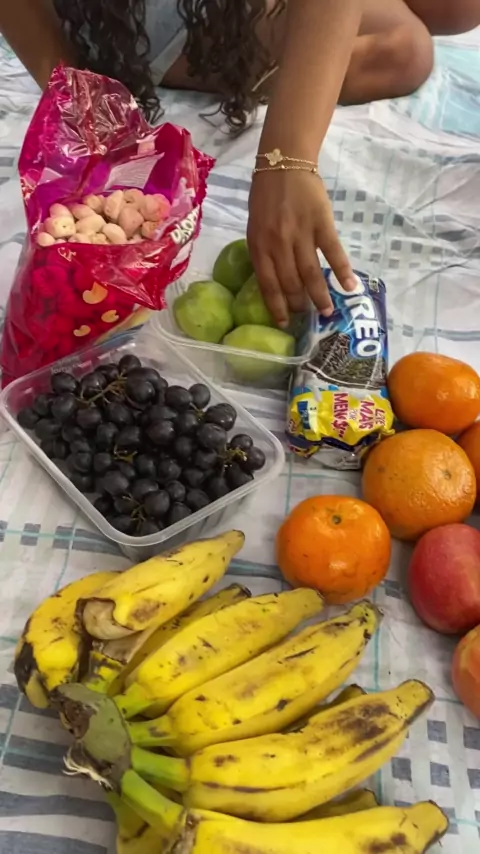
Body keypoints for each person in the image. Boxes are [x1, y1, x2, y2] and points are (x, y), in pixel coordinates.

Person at [1, 1, 480, 326]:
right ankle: (153, 61)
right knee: (404, 48)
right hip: (118, 16)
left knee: (459, 10)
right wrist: (78, 96)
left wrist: (289, 158)